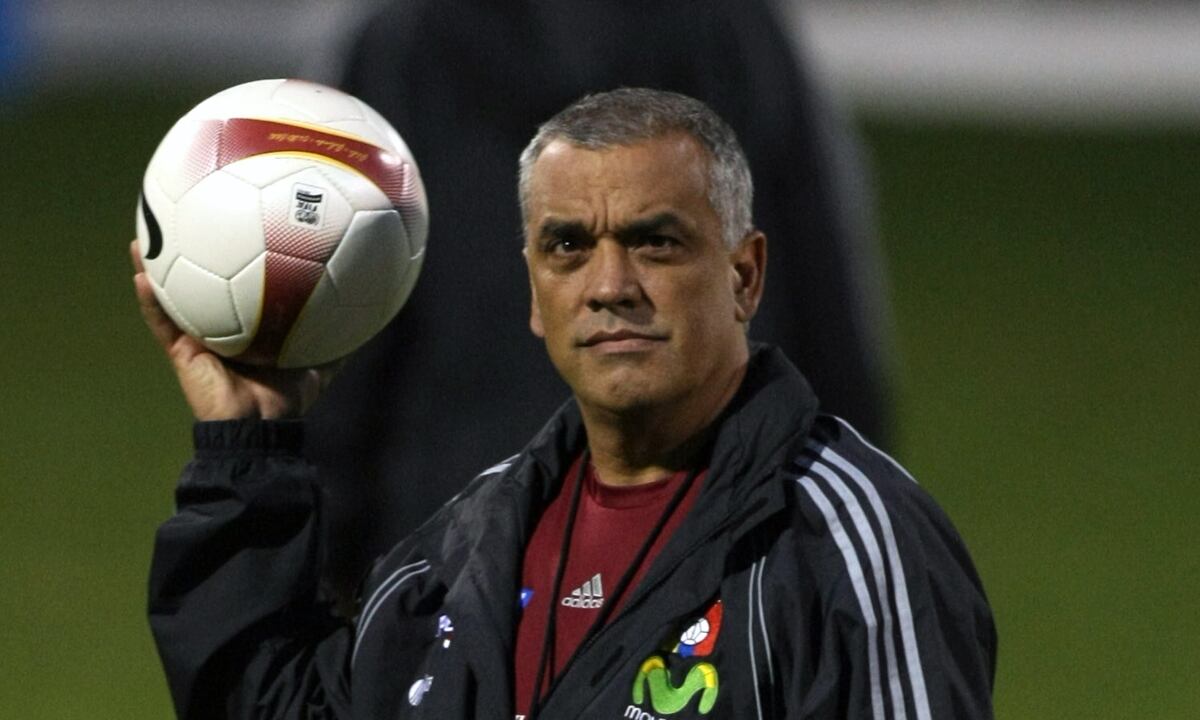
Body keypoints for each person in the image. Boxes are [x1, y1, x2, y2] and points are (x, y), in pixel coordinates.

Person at [138, 89, 994, 719]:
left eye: (654, 242)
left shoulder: (844, 545)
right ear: (535, 296)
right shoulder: (465, 547)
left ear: (744, 276)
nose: (610, 286)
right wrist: (247, 442)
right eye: (569, 247)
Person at [306, 0, 895, 599]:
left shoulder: (403, 44)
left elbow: (343, 335)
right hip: (713, 554)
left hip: (456, 560)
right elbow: (825, 309)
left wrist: (325, 569)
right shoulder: (734, 30)